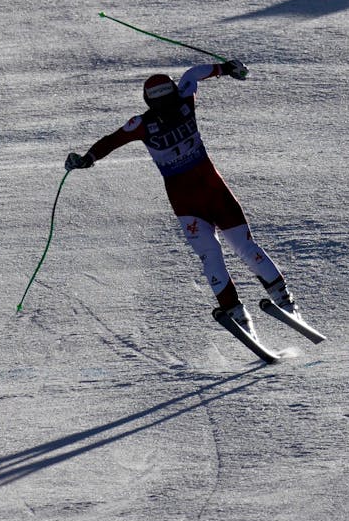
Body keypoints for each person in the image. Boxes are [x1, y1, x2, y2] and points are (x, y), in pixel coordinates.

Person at [64, 60, 295, 332]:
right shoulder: (184, 99)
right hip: (212, 190)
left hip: (186, 202)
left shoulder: (142, 123)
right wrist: (227, 68)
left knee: (212, 255)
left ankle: (238, 312)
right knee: (245, 247)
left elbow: (112, 140)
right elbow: (193, 74)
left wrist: (87, 158)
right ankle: (284, 302)